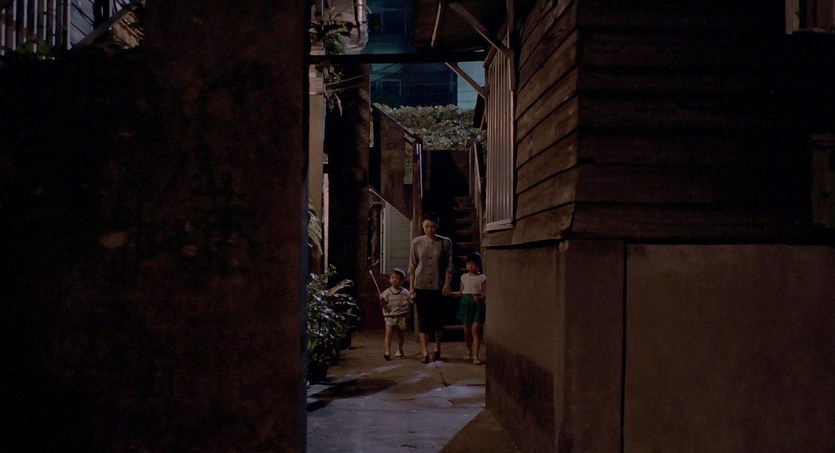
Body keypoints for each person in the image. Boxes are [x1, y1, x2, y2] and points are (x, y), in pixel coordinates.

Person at [408, 211, 453, 364]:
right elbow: (412, 266)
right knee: (423, 320)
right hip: (420, 285)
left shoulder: (445, 242)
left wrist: (447, 283)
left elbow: (449, 265)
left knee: (438, 319)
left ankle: (437, 348)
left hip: (437, 285)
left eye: (432, 226)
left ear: (437, 226)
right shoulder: (417, 242)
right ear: (422, 225)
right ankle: (425, 352)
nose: (429, 229)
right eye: (427, 226)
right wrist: (411, 288)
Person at [453, 252, 487, 365]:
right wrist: (451, 293)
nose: (470, 266)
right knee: (466, 331)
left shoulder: (482, 278)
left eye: (473, 264)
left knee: (475, 330)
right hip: (466, 303)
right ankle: (468, 350)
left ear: (478, 265)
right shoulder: (463, 277)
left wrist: (480, 298)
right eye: (468, 264)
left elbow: (485, 293)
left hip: (477, 304)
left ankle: (476, 356)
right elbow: (461, 292)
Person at [379, 268, 409, 361]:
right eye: (392, 277)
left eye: (397, 278)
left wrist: (412, 297)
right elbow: (383, 305)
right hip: (390, 317)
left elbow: (410, 299)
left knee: (401, 335)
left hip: (401, 317)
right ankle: (387, 351)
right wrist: (382, 301)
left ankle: (400, 350)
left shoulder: (405, 292)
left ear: (401, 280)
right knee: (388, 333)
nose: (394, 280)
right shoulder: (386, 292)